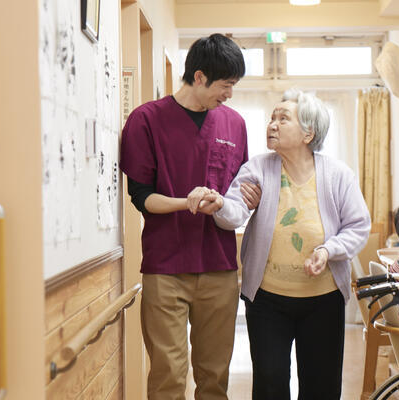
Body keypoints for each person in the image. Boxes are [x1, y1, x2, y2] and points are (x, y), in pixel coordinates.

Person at [191, 89, 371, 399]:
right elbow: (233, 212)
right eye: (272, 117)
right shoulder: (258, 168)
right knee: (269, 384)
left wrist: (328, 250)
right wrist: (219, 203)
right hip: (267, 301)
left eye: (283, 118)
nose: (272, 124)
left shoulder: (338, 175)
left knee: (322, 386)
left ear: (308, 132)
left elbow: (358, 226)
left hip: (323, 299)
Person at [119, 34, 259, 400]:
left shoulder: (235, 124)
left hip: (220, 267)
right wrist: (188, 202)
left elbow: (239, 192)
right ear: (199, 77)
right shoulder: (145, 120)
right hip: (166, 267)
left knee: (214, 377)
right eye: (226, 85)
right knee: (168, 374)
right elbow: (141, 197)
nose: (229, 94)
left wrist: (249, 199)